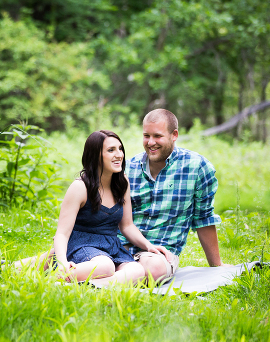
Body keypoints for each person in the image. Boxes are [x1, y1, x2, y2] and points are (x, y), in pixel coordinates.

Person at [16, 130, 172, 286]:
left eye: (120, 148)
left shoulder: (121, 182)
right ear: (95, 155)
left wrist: (149, 246)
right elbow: (62, 234)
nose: (119, 154)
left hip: (111, 245)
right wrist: (63, 262)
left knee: (137, 271)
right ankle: (59, 275)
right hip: (82, 245)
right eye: (111, 150)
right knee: (105, 266)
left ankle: (93, 286)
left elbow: (127, 226)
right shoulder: (80, 187)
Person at [121, 109, 224, 282]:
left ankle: (108, 279)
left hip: (160, 253)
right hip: (120, 245)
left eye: (157, 136)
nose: (150, 142)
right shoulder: (127, 168)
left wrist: (216, 266)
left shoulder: (197, 167)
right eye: (146, 136)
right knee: (98, 262)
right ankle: (115, 274)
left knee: (153, 270)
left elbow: (203, 218)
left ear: (174, 135)